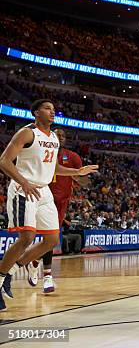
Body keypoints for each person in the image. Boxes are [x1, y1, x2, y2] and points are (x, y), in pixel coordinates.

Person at [0, 100, 98, 311]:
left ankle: (9, 273)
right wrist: (23, 182)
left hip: (43, 190)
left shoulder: (53, 137)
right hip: (24, 188)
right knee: (26, 237)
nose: (52, 112)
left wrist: (76, 172)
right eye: (47, 108)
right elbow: (4, 161)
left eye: (54, 109)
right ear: (36, 112)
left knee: (52, 239)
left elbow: (53, 167)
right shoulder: (27, 133)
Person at [24, 128, 87, 294]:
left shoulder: (72, 157)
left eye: (63, 136)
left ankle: (37, 262)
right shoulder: (41, 151)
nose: (60, 137)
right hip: (39, 196)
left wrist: (83, 175)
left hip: (60, 203)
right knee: (45, 238)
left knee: (51, 238)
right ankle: (45, 274)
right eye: (57, 134)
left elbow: (83, 181)